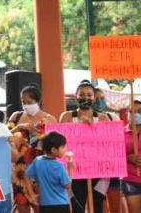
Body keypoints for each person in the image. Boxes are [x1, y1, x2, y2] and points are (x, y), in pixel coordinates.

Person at [60, 82, 110, 213]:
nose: (85, 97)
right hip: (75, 170)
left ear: (94, 97)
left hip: (99, 171)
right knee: (78, 205)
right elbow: (61, 142)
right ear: (76, 96)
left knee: (97, 204)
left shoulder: (103, 117)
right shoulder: (67, 117)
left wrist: (94, 128)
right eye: (81, 94)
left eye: (89, 95)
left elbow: (110, 143)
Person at [9, 85, 58, 213]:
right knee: (21, 204)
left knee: (39, 206)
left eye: (29, 102)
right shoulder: (16, 117)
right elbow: (5, 136)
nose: (25, 105)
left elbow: (56, 145)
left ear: (39, 101)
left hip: (40, 171)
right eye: (23, 102)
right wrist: (19, 127)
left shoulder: (49, 119)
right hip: (19, 170)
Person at [24, 131, 74, 213]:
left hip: (44, 205)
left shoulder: (38, 161)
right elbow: (68, 185)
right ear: (54, 150)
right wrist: (71, 169)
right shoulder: (59, 166)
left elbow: (26, 175)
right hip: (61, 205)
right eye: (63, 147)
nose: (66, 149)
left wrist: (32, 194)